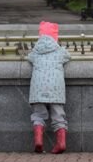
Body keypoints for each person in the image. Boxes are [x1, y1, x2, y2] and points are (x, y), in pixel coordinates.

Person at [27, 21, 71, 154]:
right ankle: (61, 143)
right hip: (55, 89)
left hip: (38, 88)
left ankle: (39, 141)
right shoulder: (60, 52)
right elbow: (68, 57)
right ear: (55, 37)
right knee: (58, 115)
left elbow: (29, 58)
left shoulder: (35, 52)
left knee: (38, 115)